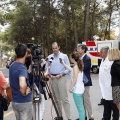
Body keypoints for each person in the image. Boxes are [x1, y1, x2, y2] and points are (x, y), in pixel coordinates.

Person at [45, 42, 71, 120]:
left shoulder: (64, 56)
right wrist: (50, 75)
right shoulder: (50, 57)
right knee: (56, 99)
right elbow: (46, 69)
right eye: (53, 48)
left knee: (64, 99)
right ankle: (60, 116)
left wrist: (61, 75)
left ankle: (68, 117)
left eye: (56, 48)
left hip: (61, 78)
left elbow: (68, 69)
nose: (54, 50)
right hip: (53, 79)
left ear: (59, 47)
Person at [9, 44, 33, 120]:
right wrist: (24, 92)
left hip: (15, 101)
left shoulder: (12, 65)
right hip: (24, 102)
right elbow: (22, 85)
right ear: (26, 53)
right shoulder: (22, 68)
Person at [61, 52, 85, 120]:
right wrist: (64, 64)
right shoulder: (78, 66)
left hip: (77, 90)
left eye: (71, 58)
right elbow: (71, 70)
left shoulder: (76, 67)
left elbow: (74, 79)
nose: (70, 59)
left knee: (80, 109)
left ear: (73, 58)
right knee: (81, 108)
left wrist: (70, 88)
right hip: (80, 89)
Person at [99, 46, 119, 120]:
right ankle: (106, 118)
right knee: (106, 107)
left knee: (114, 107)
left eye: (101, 52)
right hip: (104, 89)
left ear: (105, 53)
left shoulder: (111, 61)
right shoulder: (102, 60)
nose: (99, 53)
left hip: (111, 88)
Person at [77, 44, 94, 120]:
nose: (78, 50)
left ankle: (91, 117)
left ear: (83, 50)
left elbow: (83, 68)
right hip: (79, 82)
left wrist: (76, 66)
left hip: (85, 82)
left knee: (86, 100)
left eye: (79, 49)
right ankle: (83, 116)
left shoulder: (87, 58)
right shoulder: (79, 58)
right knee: (81, 101)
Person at [108, 48, 120, 113]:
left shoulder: (116, 64)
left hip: (117, 87)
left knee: (119, 106)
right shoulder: (116, 63)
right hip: (117, 86)